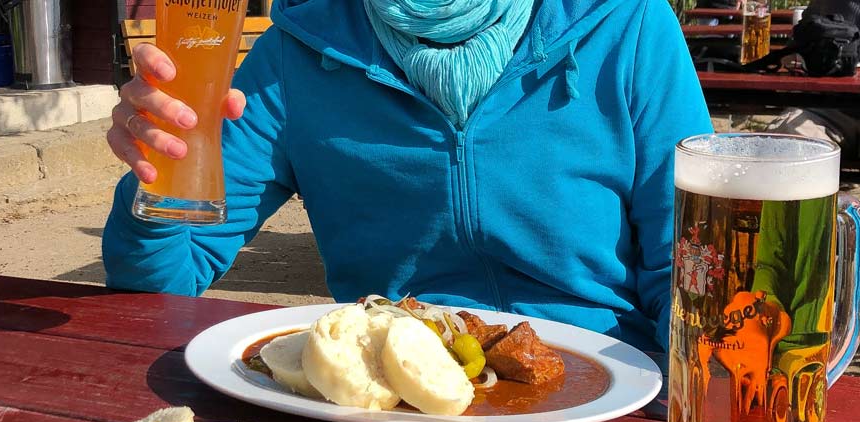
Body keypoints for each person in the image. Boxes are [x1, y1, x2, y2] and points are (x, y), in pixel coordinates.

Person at [103, 0, 713, 354]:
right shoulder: (296, 50)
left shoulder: (628, 24)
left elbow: (689, 270)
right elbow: (166, 280)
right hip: (394, 401)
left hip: (605, 379)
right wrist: (159, 169)